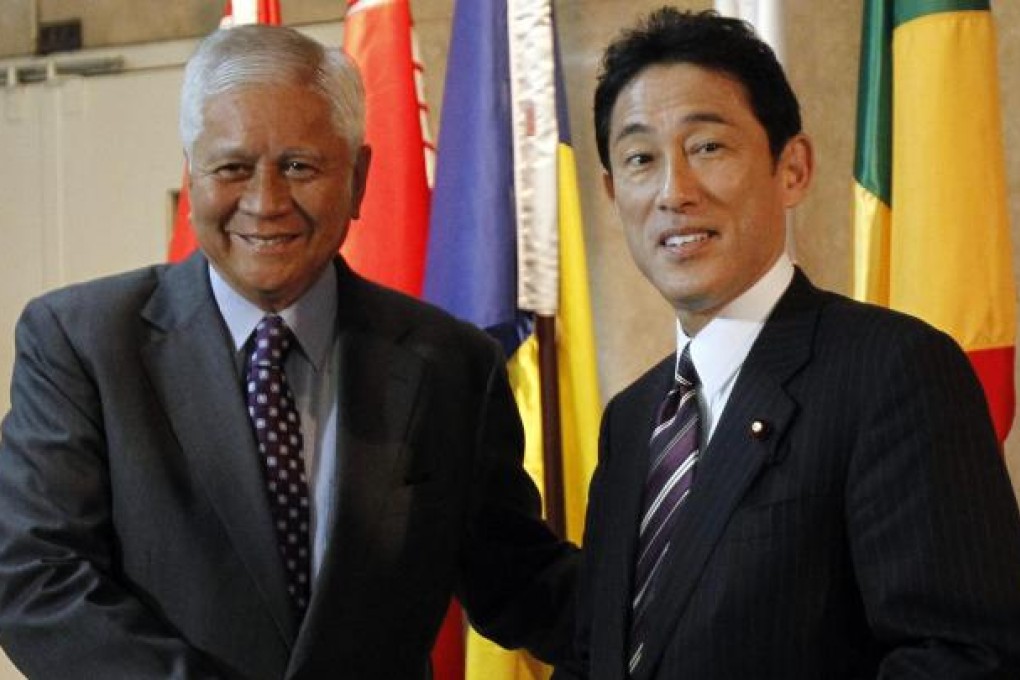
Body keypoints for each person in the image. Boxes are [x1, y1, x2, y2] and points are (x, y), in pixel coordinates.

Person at [0, 25, 576, 679]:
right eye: (233, 167)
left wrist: (689, 614)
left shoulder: (451, 365)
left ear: (358, 179)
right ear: (192, 177)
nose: (265, 202)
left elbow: (522, 582)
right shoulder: (82, 343)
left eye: (300, 166)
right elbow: (36, 581)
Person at [556, 8, 1020, 679]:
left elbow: (963, 659)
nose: (673, 192)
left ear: (793, 168)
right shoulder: (630, 420)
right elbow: (594, 657)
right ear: (610, 191)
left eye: (707, 147)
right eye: (639, 159)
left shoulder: (893, 371)